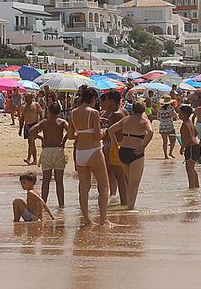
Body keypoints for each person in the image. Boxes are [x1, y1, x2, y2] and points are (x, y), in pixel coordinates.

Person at [69, 84, 110, 222]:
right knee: (103, 186)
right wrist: (105, 131)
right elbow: (98, 136)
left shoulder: (73, 112)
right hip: (94, 150)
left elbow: (70, 135)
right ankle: (103, 220)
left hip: (80, 151)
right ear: (92, 98)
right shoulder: (94, 113)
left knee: (83, 187)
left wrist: (82, 134)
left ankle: (86, 219)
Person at [108, 96, 154, 209]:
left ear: (132, 109)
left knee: (129, 180)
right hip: (136, 152)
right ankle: (130, 208)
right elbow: (151, 132)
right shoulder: (144, 121)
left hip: (123, 151)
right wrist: (143, 146)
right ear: (143, 110)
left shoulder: (125, 119)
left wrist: (115, 143)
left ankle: (128, 206)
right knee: (134, 184)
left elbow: (110, 130)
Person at [31, 101, 69, 213]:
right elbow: (71, 131)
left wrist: (41, 138)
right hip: (58, 150)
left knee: (46, 181)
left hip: (47, 150)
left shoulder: (44, 122)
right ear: (59, 112)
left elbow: (31, 131)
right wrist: (64, 140)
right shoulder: (62, 122)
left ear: (49, 111)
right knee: (59, 181)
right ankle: (61, 206)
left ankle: (44, 204)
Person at [179, 103, 201, 190]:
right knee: (192, 168)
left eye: (180, 113)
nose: (178, 114)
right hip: (195, 146)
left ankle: (191, 188)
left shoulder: (185, 124)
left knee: (189, 168)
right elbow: (196, 133)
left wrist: (182, 147)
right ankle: (196, 186)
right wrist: (192, 138)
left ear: (184, 114)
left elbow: (188, 138)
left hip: (191, 147)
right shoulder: (190, 122)